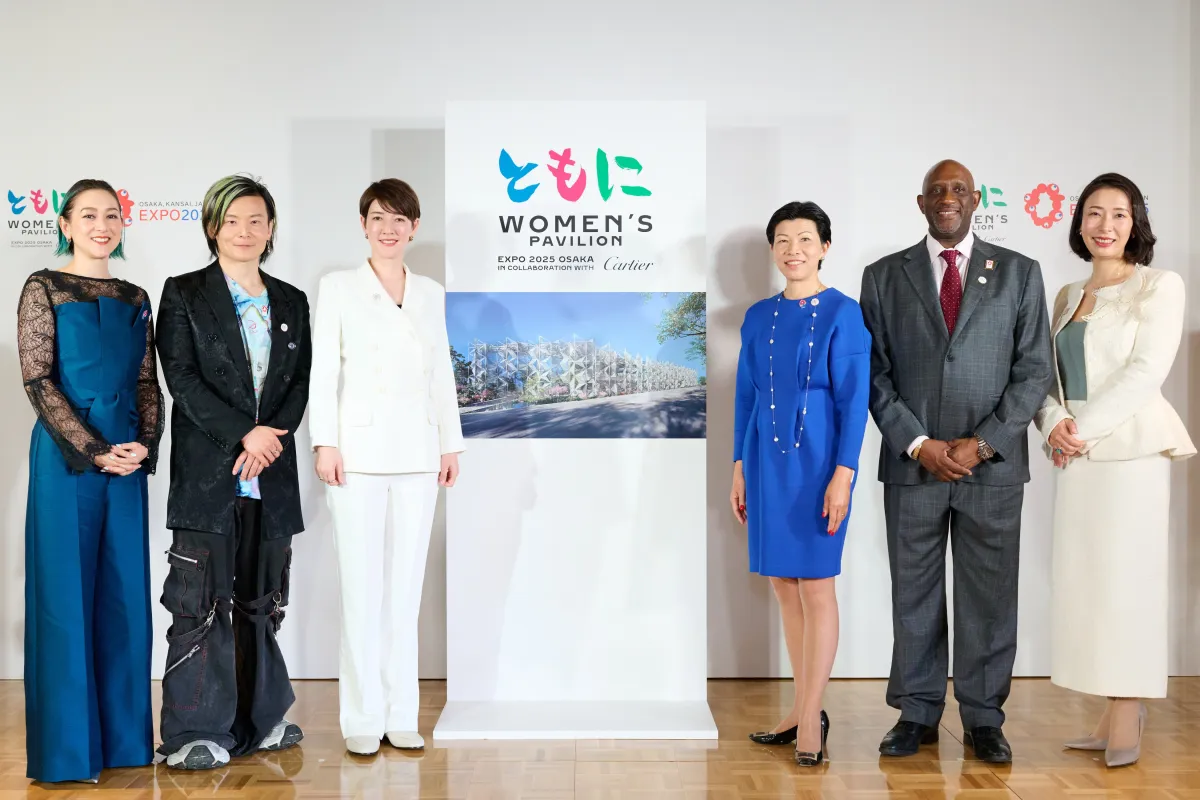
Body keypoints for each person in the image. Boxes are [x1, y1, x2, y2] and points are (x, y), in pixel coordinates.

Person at [859, 160, 1052, 763]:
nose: (948, 198)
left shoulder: (1019, 272)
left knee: (989, 596)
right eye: (937, 191)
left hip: (991, 467)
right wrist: (919, 443)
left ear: (975, 200)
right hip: (913, 465)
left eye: (958, 190)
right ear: (921, 203)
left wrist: (983, 442)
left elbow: (1034, 372)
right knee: (913, 592)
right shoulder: (883, 276)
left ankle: (984, 718)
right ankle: (916, 712)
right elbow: (874, 374)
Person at [1035, 173, 1194, 768]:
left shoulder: (1160, 285)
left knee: (1129, 582)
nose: (1106, 226)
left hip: (1130, 453)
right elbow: (1043, 376)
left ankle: (1129, 708)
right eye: (1095, 213)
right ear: (1079, 223)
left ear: (1136, 224)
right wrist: (1053, 421)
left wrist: (1080, 430)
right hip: (1076, 453)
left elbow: (1146, 371)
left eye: (1119, 214)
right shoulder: (1065, 294)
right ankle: (1110, 710)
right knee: (1091, 585)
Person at [154, 174, 312, 770]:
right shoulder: (184, 293)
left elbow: (299, 383)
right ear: (212, 227)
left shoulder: (291, 300)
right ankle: (196, 732)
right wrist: (244, 434)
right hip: (209, 473)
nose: (244, 231)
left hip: (270, 473)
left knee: (261, 600)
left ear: (271, 229)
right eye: (231, 221)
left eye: (256, 220)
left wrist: (268, 442)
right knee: (200, 602)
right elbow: (181, 378)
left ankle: (261, 721)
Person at [309, 178, 465, 756]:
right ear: (363, 224)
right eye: (378, 217)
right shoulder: (339, 287)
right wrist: (325, 442)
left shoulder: (430, 292)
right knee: (361, 589)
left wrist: (449, 444)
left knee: (405, 591)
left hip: (419, 456)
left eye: (400, 219)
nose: (389, 228)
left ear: (414, 227)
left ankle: (402, 713)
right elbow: (324, 371)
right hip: (357, 457)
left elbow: (441, 372)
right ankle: (361, 716)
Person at [18, 179, 163, 783]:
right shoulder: (44, 287)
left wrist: (145, 444)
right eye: (88, 215)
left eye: (111, 215)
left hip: (127, 460)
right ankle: (68, 754)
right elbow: (38, 380)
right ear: (66, 224)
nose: (102, 225)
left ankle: (127, 743)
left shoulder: (136, 296)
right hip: (67, 459)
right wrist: (94, 449)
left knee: (126, 596)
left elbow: (148, 383)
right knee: (65, 598)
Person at [731, 201, 871, 766]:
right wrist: (739, 465)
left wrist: (844, 474)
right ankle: (799, 709)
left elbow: (855, 400)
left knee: (816, 586)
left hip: (819, 461)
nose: (794, 250)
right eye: (783, 240)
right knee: (783, 587)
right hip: (764, 460)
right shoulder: (757, 316)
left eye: (806, 239)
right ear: (773, 249)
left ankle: (812, 717)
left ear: (825, 247)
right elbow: (746, 395)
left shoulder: (844, 312)